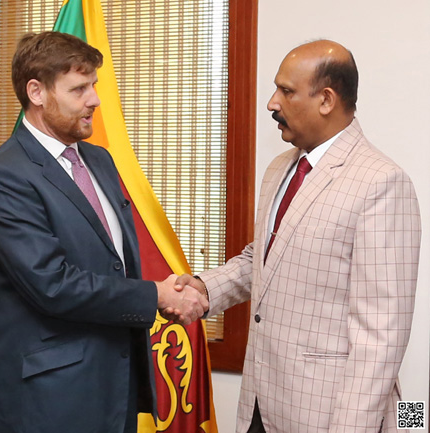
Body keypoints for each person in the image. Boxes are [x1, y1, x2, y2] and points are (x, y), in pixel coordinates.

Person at [176, 39, 421, 433]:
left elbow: (381, 337)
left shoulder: (382, 183)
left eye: (286, 91)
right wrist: (205, 289)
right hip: (261, 402)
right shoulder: (280, 169)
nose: (272, 102)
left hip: (326, 416)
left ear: (326, 99)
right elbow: (267, 258)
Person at [0, 31, 208, 433]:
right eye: (79, 88)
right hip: (49, 402)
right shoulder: (6, 175)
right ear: (37, 92)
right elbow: (52, 285)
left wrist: (162, 292)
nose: (95, 100)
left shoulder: (99, 160)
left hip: (113, 386)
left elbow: (112, 265)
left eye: (94, 86)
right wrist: (155, 295)